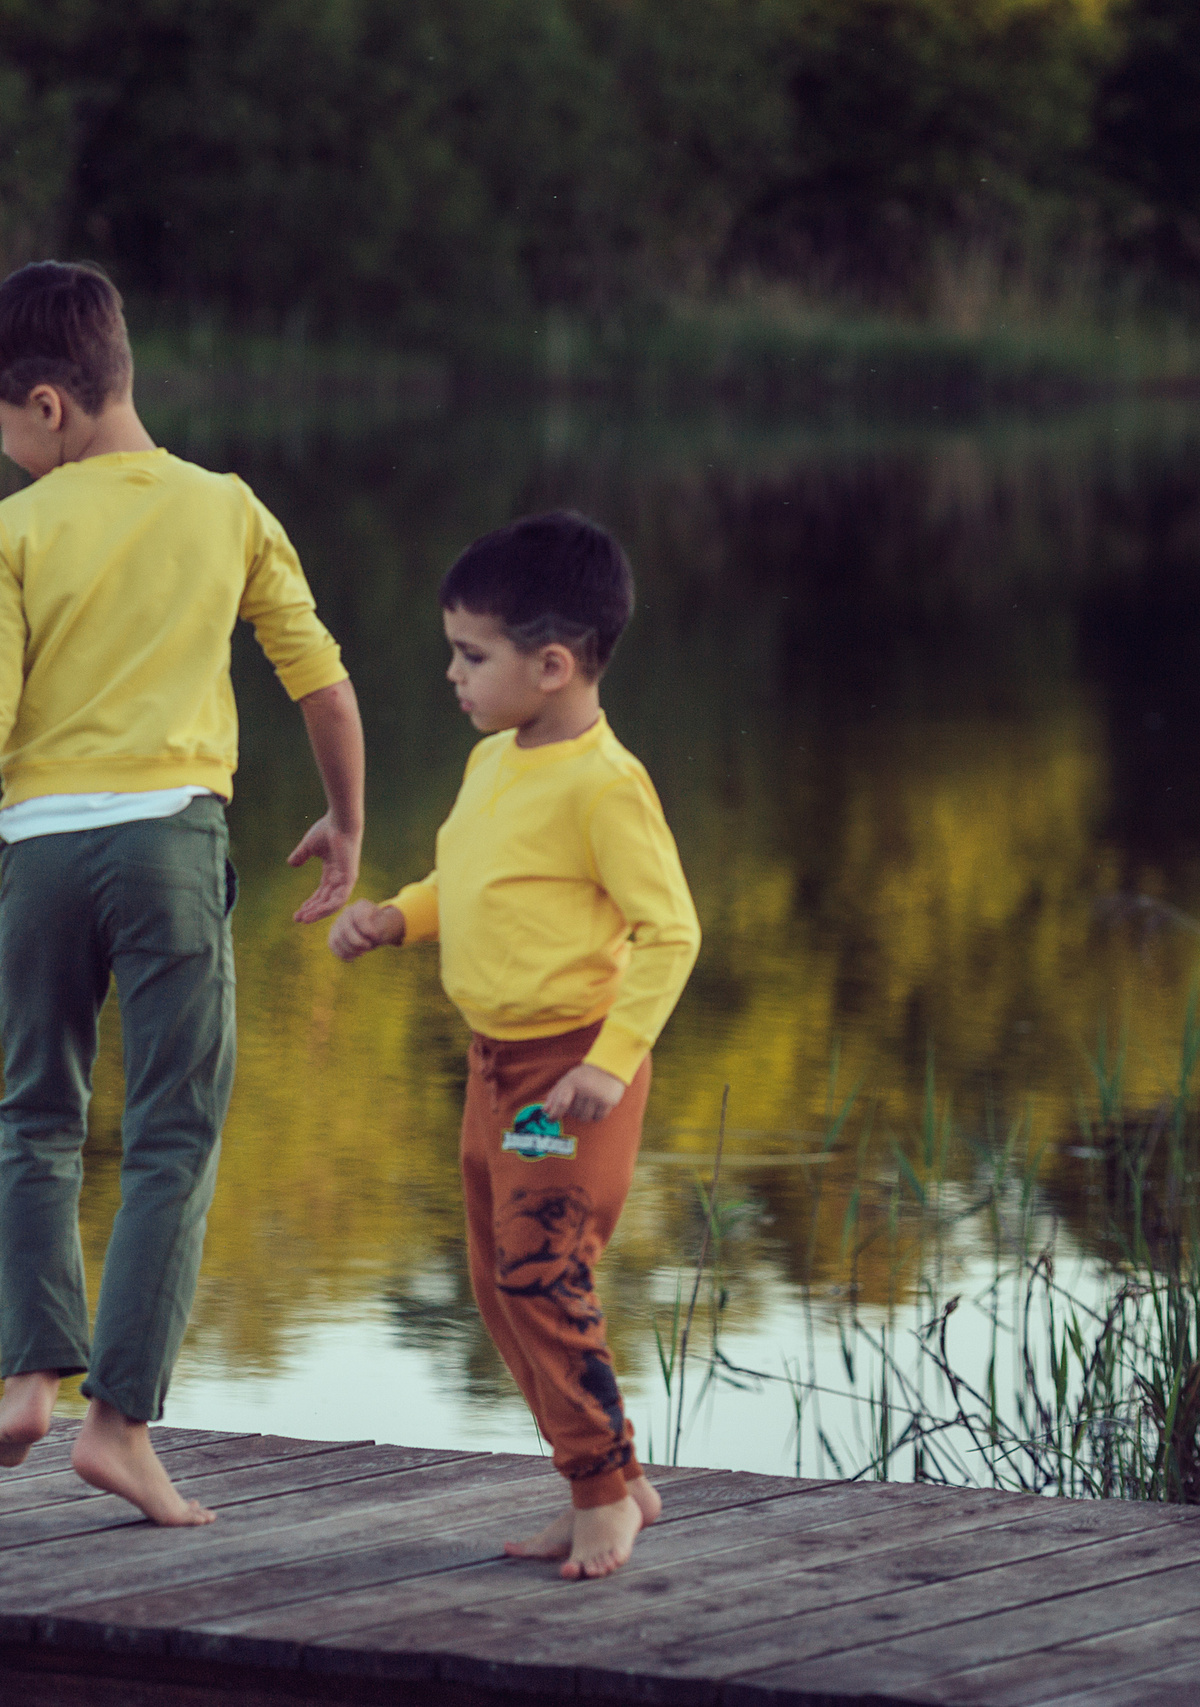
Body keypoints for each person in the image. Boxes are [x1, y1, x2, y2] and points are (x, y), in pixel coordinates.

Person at [0, 260, 366, 1527]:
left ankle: (29, 1377)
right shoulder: (227, 506)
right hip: (168, 851)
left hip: (41, 858)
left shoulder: (9, 533)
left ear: (47, 407)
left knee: (35, 1113)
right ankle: (118, 1425)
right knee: (172, 1137)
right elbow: (319, 679)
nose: (2, 456)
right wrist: (347, 821)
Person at [329, 511, 699, 1580]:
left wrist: (608, 1058)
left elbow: (672, 930)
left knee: (543, 1273)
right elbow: (477, 883)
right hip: (494, 1069)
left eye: (470, 655)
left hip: (563, 1077)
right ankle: (608, 1477)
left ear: (551, 665)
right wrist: (398, 915)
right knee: (497, 1281)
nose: (451, 674)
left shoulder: (603, 786)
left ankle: (600, 1498)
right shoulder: (496, 762)